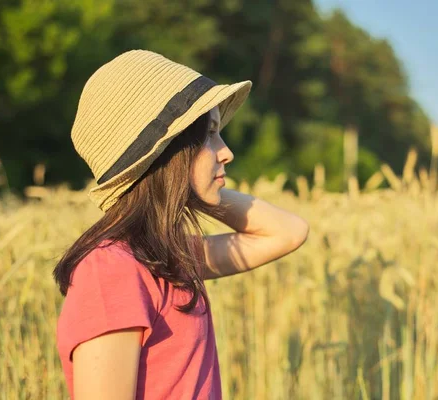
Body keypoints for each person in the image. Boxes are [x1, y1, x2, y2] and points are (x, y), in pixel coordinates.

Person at [53, 49, 309, 400]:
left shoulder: (165, 257)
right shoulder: (110, 270)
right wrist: (180, 182)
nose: (226, 152)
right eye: (211, 134)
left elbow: (288, 232)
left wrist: (188, 187)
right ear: (170, 151)